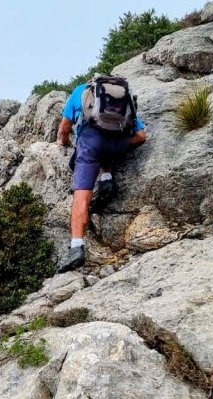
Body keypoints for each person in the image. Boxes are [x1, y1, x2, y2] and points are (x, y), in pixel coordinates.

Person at [57, 75, 147, 273]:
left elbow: (64, 128)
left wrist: (64, 143)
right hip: (117, 143)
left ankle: (76, 247)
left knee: (81, 194)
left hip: (91, 143)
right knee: (107, 147)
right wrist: (122, 143)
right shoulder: (121, 96)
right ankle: (107, 178)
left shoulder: (80, 91)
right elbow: (141, 136)